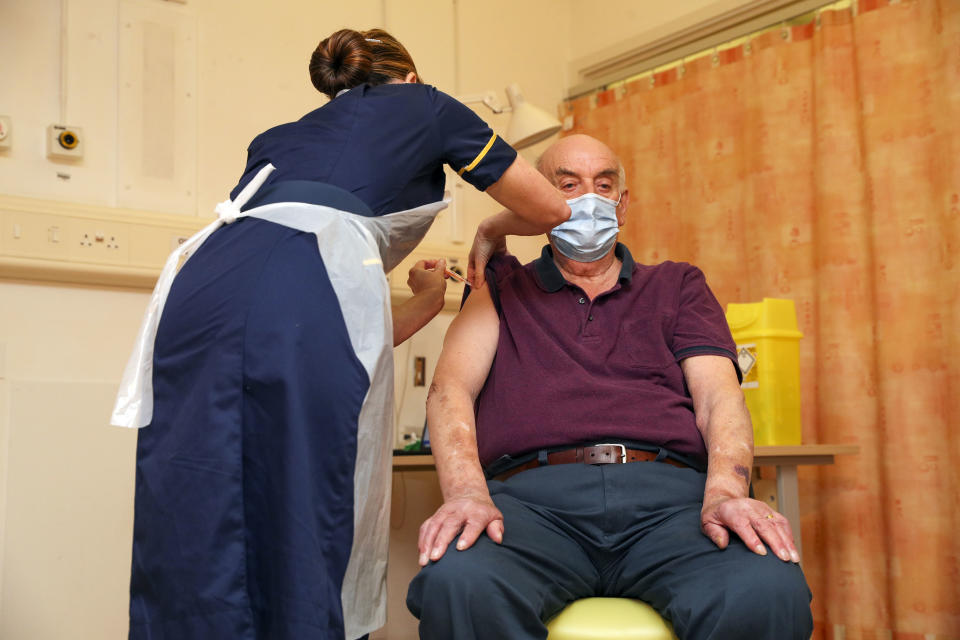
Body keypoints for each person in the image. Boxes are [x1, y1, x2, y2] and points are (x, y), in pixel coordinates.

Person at [112, 28, 569, 640]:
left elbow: (327, 334)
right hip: (300, 289)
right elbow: (549, 209)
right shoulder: (427, 104)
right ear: (409, 75)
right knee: (306, 490)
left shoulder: (277, 140)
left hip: (198, 291)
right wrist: (489, 229)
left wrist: (428, 301)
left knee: (201, 485)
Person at [407, 134, 813, 640]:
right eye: (568, 185)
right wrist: (466, 494)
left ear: (623, 204)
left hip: (670, 505)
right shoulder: (503, 287)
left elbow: (718, 396)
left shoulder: (678, 285)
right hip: (534, 507)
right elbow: (450, 391)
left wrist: (725, 492)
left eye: (604, 184)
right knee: (459, 582)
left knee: (765, 587)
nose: (590, 199)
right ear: (540, 200)